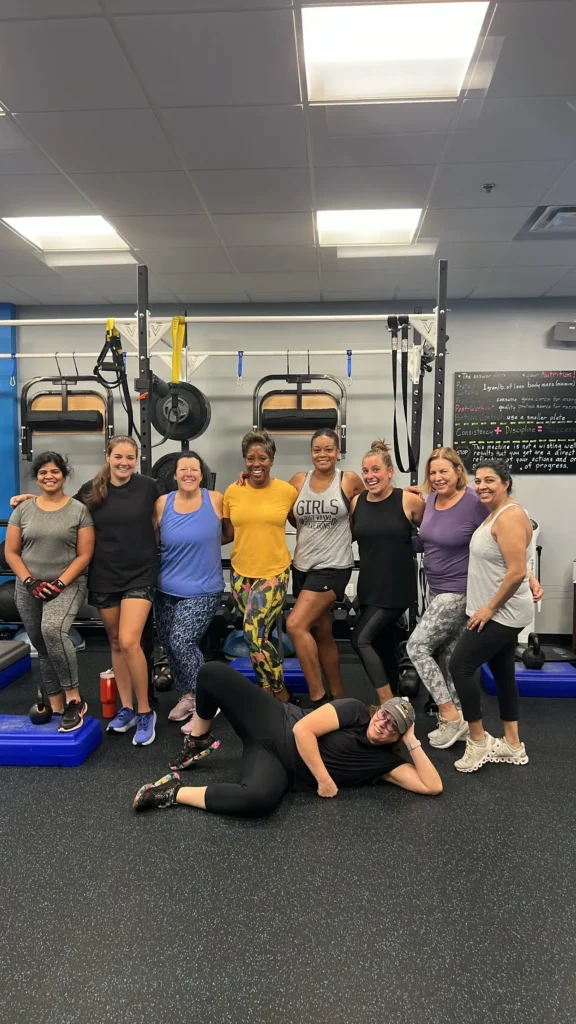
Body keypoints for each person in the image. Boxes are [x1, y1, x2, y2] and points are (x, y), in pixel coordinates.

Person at [132, 661, 442, 815]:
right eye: (384, 715)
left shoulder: (385, 764)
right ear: (378, 710)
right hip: (275, 721)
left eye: (394, 727)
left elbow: (432, 786)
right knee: (212, 672)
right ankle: (199, 739)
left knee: (258, 800)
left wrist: (413, 741)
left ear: (398, 737)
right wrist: (323, 779)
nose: (384, 724)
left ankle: (173, 792)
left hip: (279, 764)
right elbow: (302, 730)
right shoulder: (356, 711)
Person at [14, 436, 161, 745]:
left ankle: (146, 711)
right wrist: (30, 498)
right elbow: (57, 504)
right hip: (106, 574)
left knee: (130, 640)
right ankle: (126, 708)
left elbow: (166, 515)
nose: (124, 462)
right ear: (107, 456)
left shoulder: (149, 486)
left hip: (140, 574)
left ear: (137, 460)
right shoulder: (92, 491)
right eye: (118, 456)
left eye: (130, 458)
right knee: (115, 644)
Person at [449, 460, 534, 773]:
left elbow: (515, 572)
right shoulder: (500, 513)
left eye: (490, 481)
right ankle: (513, 744)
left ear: (506, 482)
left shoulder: (509, 516)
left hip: (502, 612)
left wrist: (490, 607)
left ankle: (478, 741)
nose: (482, 486)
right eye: (478, 481)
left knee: (460, 665)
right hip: (502, 609)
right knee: (502, 671)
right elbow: (519, 560)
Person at [405, 448, 489, 749]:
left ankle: (448, 713)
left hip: (461, 590)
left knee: (417, 647)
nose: (437, 477)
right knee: (451, 656)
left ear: (457, 471)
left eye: (444, 471)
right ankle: (464, 720)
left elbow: (501, 536)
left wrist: (526, 576)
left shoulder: (473, 503)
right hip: (435, 587)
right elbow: (426, 541)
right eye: (433, 472)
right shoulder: (430, 502)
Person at [5, 452, 95, 732]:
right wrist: (30, 581)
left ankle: (74, 699)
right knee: (42, 646)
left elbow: (84, 555)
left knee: (53, 630)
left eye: (54, 472)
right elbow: (11, 551)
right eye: (43, 472)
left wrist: (58, 584)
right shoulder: (23, 510)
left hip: (66, 585)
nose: (49, 476)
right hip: (28, 585)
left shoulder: (78, 510)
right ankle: (55, 703)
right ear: (37, 477)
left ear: (64, 476)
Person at [286, 429, 364, 707]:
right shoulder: (298, 480)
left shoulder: (349, 480)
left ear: (338, 451)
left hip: (334, 567)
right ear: (311, 452)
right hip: (303, 566)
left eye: (328, 449)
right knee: (322, 632)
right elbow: (285, 512)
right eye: (317, 449)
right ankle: (339, 697)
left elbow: (370, 507)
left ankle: (318, 698)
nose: (323, 454)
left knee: (295, 625)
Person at [222, 430, 298, 703]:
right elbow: (227, 533)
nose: (256, 463)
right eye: (251, 458)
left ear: (272, 459)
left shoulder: (287, 492)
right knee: (257, 637)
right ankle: (265, 690)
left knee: (254, 634)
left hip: (273, 572)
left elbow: (302, 522)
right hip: (241, 574)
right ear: (245, 461)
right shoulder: (233, 491)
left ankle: (280, 692)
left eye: (262, 457)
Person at [154, 452, 224, 732]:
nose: (188, 474)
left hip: (203, 588)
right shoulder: (162, 503)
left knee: (182, 641)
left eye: (194, 469)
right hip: (166, 587)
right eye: (183, 469)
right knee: (170, 645)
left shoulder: (216, 500)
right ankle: (188, 695)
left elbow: (232, 529)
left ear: (201, 474)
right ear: (174, 474)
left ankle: (206, 703)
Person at [350, 441, 424, 704]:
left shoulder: (408, 500)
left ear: (390, 471)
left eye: (376, 470)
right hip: (369, 585)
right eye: (365, 471)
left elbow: (437, 530)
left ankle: (387, 704)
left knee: (359, 639)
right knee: (382, 646)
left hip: (396, 586)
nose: (370, 476)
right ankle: (398, 698)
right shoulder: (357, 502)